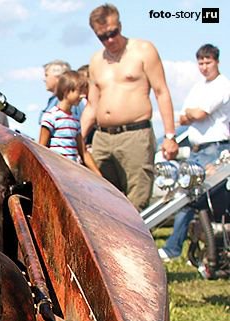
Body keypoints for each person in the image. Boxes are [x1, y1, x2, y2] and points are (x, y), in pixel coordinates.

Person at [81, 3, 179, 211]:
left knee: (136, 202)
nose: (109, 40)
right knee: (100, 201)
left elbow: (161, 92)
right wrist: (77, 137)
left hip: (135, 135)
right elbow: (91, 105)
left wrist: (170, 136)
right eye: (102, 37)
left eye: (112, 33)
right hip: (102, 138)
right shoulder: (96, 60)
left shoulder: (143, 50)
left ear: (120, 26)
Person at [159, 44, 230, 265]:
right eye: (201, 63)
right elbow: (183, 117)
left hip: (215, 149)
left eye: (208, 62)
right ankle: (204, 250)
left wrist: (192, 114)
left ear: (217, 62)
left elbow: (199, 114)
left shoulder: (223, 85)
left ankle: (174, 247)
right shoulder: (199, 87)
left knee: (193, 199)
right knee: (190, 198)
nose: (204, 67)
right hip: (196, 150)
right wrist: (191, 114)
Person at [39, 71, 101, 176]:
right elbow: (41, 148)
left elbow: (83, 152)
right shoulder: (51, 116)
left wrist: (99, 175)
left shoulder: (75, 120)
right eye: (79, 91)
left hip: (71, 172)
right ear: (66, 91)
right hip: (56, 171)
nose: (82, 96)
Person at [39, 60, 71, 126]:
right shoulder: (55, 100)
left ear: (58, 78)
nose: (44, 79)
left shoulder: (65, 100)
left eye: (46, 75)